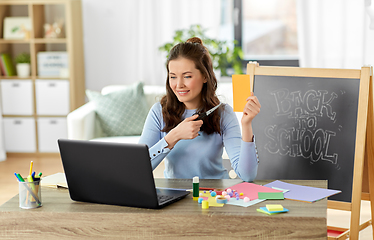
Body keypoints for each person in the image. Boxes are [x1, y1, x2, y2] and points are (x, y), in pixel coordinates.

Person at [139, 37, 261, 182]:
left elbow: (247, 175)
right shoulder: (159, 111)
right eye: (173, 77)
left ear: (205, 76)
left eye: (187, 76)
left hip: (215, 195)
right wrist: (173, 136)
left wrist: (246, 124)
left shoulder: (223, 113)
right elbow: (137, 168)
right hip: (175, 194)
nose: (179, 85)